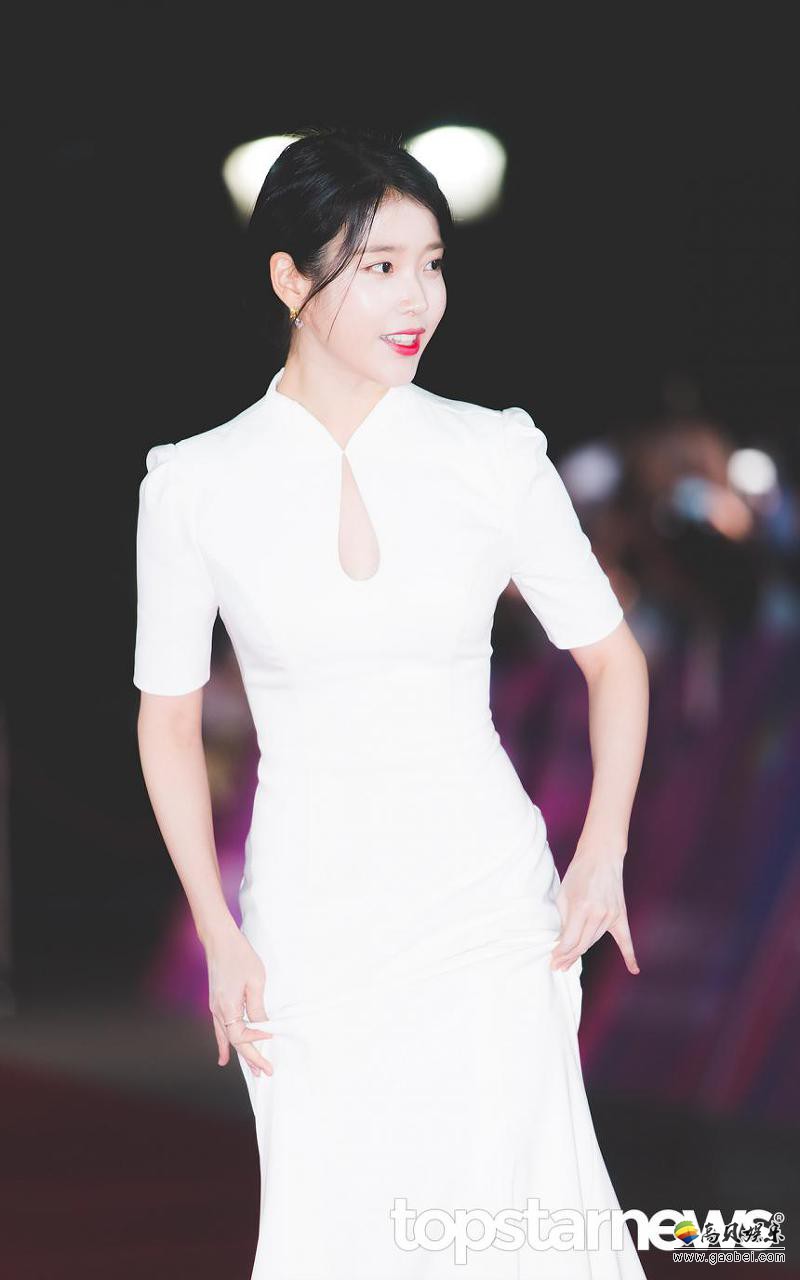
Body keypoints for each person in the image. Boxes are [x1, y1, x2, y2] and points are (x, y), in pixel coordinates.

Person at [133, 126, 650, 1278]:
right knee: (342, 1223)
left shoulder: (493, 451)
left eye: (431, 263)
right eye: (378, 266)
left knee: (509, 1210)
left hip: (486, 901)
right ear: (288, 278)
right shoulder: (193, 483)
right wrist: (216, 928)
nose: (417, 296)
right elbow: (166, 720)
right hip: (310, 913)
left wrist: (601, 849)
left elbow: (612, 658)